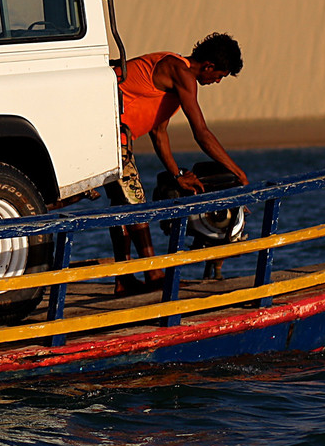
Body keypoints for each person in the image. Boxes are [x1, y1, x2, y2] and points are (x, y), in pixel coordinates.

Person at [107, 33, 249, 286]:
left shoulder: (170, 82)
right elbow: (201, 133)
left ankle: (124, 279)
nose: (216, 82)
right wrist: (238, 173)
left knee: (122, 207)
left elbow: (159, 133)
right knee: (135, 204)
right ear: (207, 66)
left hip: (116, 140)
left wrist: (178, 175)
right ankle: (152, 272)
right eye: (219, 76)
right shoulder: (180, 72)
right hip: (109, 137)